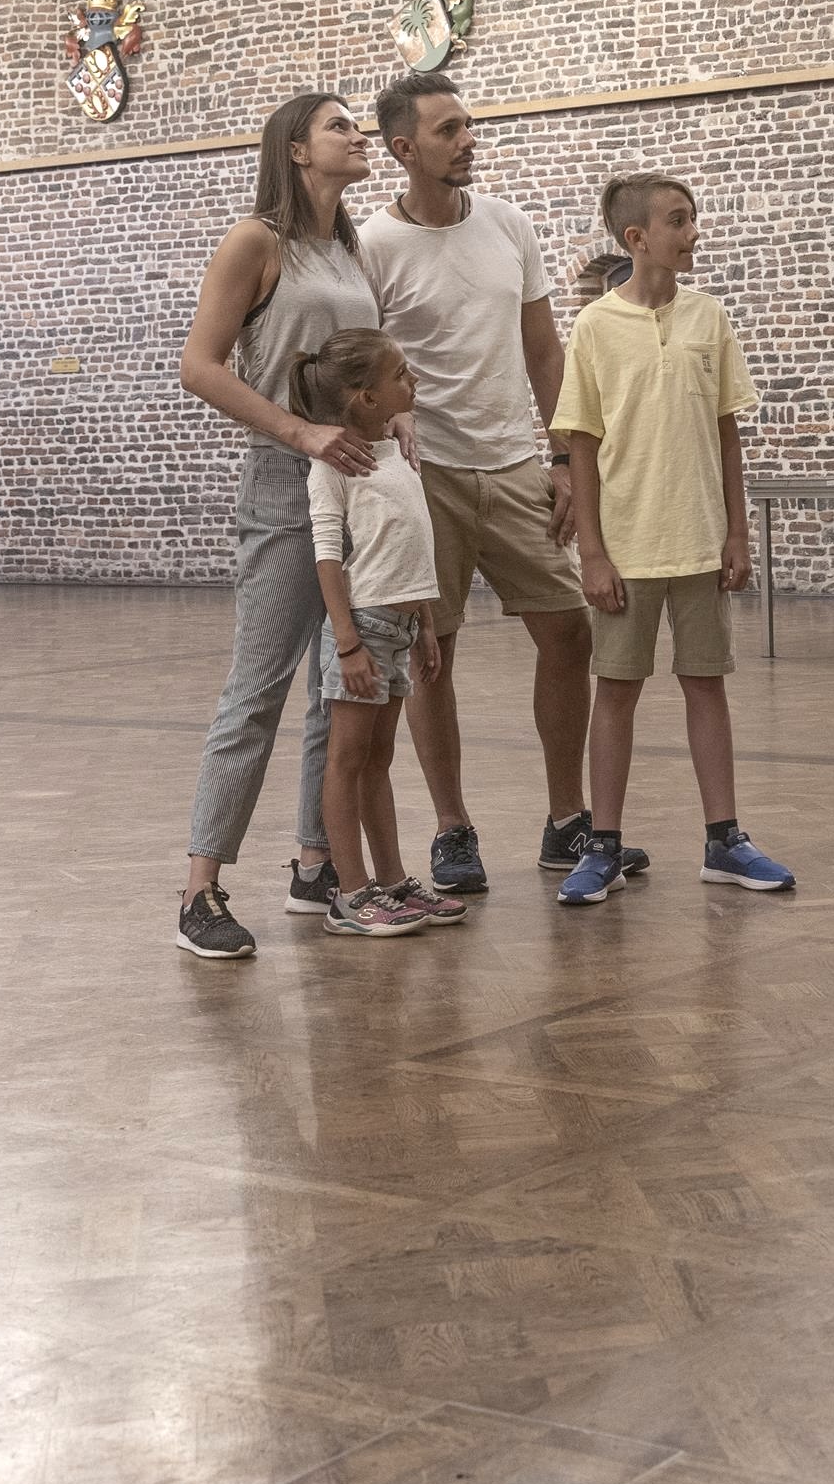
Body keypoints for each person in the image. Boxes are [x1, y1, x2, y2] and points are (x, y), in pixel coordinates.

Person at [360, 70, 642, 895]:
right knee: (431, 653)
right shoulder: (373, 247)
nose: (468, 140)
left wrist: (562, 458)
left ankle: (566, 819)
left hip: (515, 463)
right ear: (404, 148)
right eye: (447, 130)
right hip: (426, 476)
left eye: (468, 125)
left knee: (569, 633)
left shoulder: (509, 225)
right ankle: (452, 828)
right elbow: (363, 369)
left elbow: (544, 351)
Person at [171, 91, 383, 961]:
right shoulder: (254, 241)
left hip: (356, 478)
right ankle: (199, 892)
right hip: (285, 477)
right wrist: (300, 434)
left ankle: (316, 866)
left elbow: (362, 366)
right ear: (296, 150)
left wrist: (395, 418)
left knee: (341, 687)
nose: (358, 134)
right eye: (340, 125)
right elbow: (199, 366)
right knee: (257, 690)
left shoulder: (349, 248)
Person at [547, 171, 797, 908]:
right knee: (616, 692)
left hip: (699, 542)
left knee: (706, 685)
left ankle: (725, 841)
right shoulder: (594, 327)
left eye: (693, 218)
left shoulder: (709, 317)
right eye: (679, 220)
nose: (693, 232)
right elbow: (581, 443)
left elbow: (727, 433)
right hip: (625, 550)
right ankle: (602, 846)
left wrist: (737, 533)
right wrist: (593, 552)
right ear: (637, 238)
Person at [297, 327, 457, 940]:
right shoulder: (333, 465)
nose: (412, 381)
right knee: (347, 759)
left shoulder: (395, 452)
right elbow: (327, 556)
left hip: (399, 628)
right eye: (400, 375)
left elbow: (411, 547)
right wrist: (348, 643)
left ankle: (390, 881)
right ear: (366, 397)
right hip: (362, 630)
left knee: (379, 760)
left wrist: (426, 625)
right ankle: (350, 893)